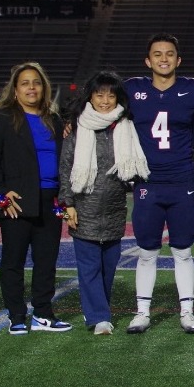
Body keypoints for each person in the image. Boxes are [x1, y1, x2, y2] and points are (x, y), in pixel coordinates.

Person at [124, 34, 194, 335]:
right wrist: (73, 117)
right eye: (157, 54)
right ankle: (142, 312)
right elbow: (99, 101)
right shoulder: (132, 90)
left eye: (169, 54)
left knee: (183, 250)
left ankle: (187, 311)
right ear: (148, 61)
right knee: (147, 251)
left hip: (183, 181)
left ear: (178, 59)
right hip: (148, 183)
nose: (163, 58)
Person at [0, 62, 71, 335]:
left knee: (46, 260)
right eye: (25, 83)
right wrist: (0, 193)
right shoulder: (3, 117)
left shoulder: (53, 119)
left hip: (51, 199)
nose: (31, 87)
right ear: (15, 89)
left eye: (36, 82)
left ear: (43, 87)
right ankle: (17, 315)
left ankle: (43, 314)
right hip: (17, 200)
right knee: (13, 260)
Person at [58, 71, 148, 335]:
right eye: (99, 94)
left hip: (114, 208)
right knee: (89, 267)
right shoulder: (77, 126)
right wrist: (67, 204)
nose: (105, 100)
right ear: (90, 96)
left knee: (108, 266)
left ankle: (101, 311)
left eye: (111, 95)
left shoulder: (127, 124)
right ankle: (99, 317)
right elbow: (66, 167)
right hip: (83, 207)